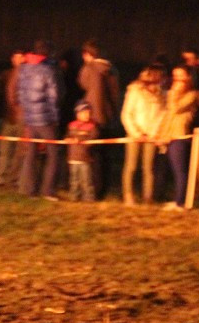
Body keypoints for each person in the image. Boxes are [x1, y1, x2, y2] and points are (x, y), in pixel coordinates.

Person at [17, 40, 62, 199]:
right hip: (45, 119)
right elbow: (53, 97)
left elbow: (21, 95)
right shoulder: (47, 71)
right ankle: (48, 190)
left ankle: (31, 191)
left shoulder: (23, 69)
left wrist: (27, 115)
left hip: (30, 118)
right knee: (53, 154)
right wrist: (55, 118)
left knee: (31, 154)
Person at [157, 65, 199, 210]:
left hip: (181, 135)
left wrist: (174, 92)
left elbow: (176, 108)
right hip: (170, 135)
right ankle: (178, 199)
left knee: (180, 170)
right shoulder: (174, 94)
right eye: (174, 75)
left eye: (180, 75)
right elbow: (169, 115)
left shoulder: (193, 94)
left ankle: (181, 202)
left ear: (188, 77)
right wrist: (162, 133)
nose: (177, 79)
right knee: (174, 170)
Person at [78, 39, 121, 195]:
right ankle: (104, 187)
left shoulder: (90, 68)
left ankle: (93, 189)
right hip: (109, 115)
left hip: (93, 116)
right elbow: (116, 94)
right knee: (105, 155)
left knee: (93, 154)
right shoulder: (112, 69)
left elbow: (83, 84)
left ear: (88, 54)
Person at [120, 65, 165, 205]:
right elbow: (126, 114)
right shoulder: (134, 92)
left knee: (149, 167)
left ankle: (148, 198)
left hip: (151, 135)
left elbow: (162, 115)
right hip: (134, 134)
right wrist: (136, 133)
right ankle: (128, 196)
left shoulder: (161, 95)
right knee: (131, 166)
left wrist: (153, 133)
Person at [0, 49, 24, 187]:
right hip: (8, 116)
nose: (18, 60)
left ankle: (14, 177)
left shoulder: (26, 75)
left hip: (20, 116)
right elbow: (2, 95)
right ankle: (2, 176)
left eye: (21, 57)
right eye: (15, 57)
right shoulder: (6, 75)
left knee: (18, 149)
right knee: (4, 149)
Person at [65, 100, 97, 202]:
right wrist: (67, 139)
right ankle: (74, 197)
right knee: (74, 180)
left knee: (86, 180)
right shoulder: (72, 125)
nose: (87, 115)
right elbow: (68, 136)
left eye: (88, 112)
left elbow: (93, 139)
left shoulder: (92, 126)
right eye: (84, 113)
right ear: (78, 114)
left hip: (85, 159)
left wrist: (81, 141)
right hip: (73, 158)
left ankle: (88, 198)